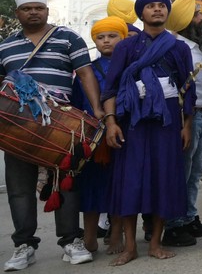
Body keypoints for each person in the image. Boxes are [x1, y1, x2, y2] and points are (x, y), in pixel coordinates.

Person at [0, 0, 104, 270]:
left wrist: (96, 109)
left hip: (60, 124)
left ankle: (71, 241)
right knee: (19, 189)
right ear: (17, 12)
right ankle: (24, 245)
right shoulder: (5, 46)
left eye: (39, 8)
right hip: (17, 127)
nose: (33, 12)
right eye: (27, 8)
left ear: (47, 10)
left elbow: (85, 74)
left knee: (66, 184)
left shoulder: (68, 38)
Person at [102, 0, 195, 266]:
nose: (157, 10)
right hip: (132, 120)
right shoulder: (125, 48)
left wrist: (187, 124)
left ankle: (155, 243)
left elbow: (187, 89)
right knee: (131, 180)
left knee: (164, 179)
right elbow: (111, 88)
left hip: (167, 121)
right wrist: (110, 123)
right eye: (151, 6)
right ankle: (130, 246)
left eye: (161, 6)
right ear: (141, 13)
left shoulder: (178, 47)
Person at [162, 0, 202, 247]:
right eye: (196, 16)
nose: (201, 20)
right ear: (185, 22)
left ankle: (189, 217)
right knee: (181, 173)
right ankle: (173, 225)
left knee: (195, 173)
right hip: (187, 116)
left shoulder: (196, 47)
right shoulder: (177, 48)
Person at [72, 17, 127, 256]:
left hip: (123, 133)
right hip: (91, 136)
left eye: (112, 36)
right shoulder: (87, 71)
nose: (106, 41)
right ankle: (90, 235)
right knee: (91, 186)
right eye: (100, 37)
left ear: (123, 38)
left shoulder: (129, 67)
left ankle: (116, 233)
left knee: (119, 184)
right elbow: (76, 103)